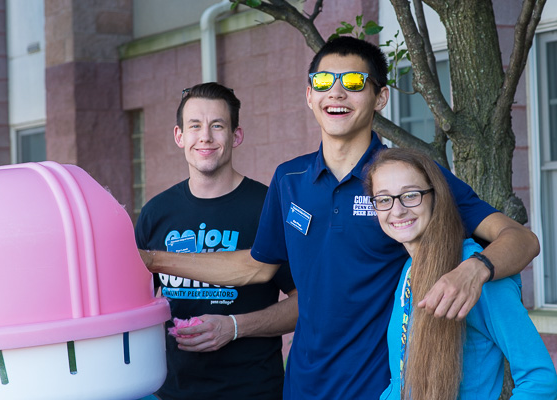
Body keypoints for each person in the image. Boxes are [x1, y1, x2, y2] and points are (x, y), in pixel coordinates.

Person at [139, 37, 540, 399]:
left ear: (380, 97)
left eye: (353, 83)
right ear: (309, 96)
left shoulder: (406, 180)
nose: (336, 92)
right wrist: (152, 259)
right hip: (301, 384)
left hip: (380, 386)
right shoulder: (289, 178)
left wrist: (475, 270)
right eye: (323, 81)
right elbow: (258, 267)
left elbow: (521, 240)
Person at [135, 82, 298, 400]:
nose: (205, 136)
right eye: (195, 126)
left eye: (217, 126)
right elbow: (136, 303)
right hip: (170, 392)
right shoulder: (156, 212)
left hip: (252, 392)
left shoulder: (267, 207)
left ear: (236, 136)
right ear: (179, 136)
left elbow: (305, 303)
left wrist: (234, 327)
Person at [365, 147, 557, 399]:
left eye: (411, 195)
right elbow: (399, 384)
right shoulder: (408, 271)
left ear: (436, 196)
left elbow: (539, 379)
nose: (397, 210)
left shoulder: (474, 273)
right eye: (384, 199)